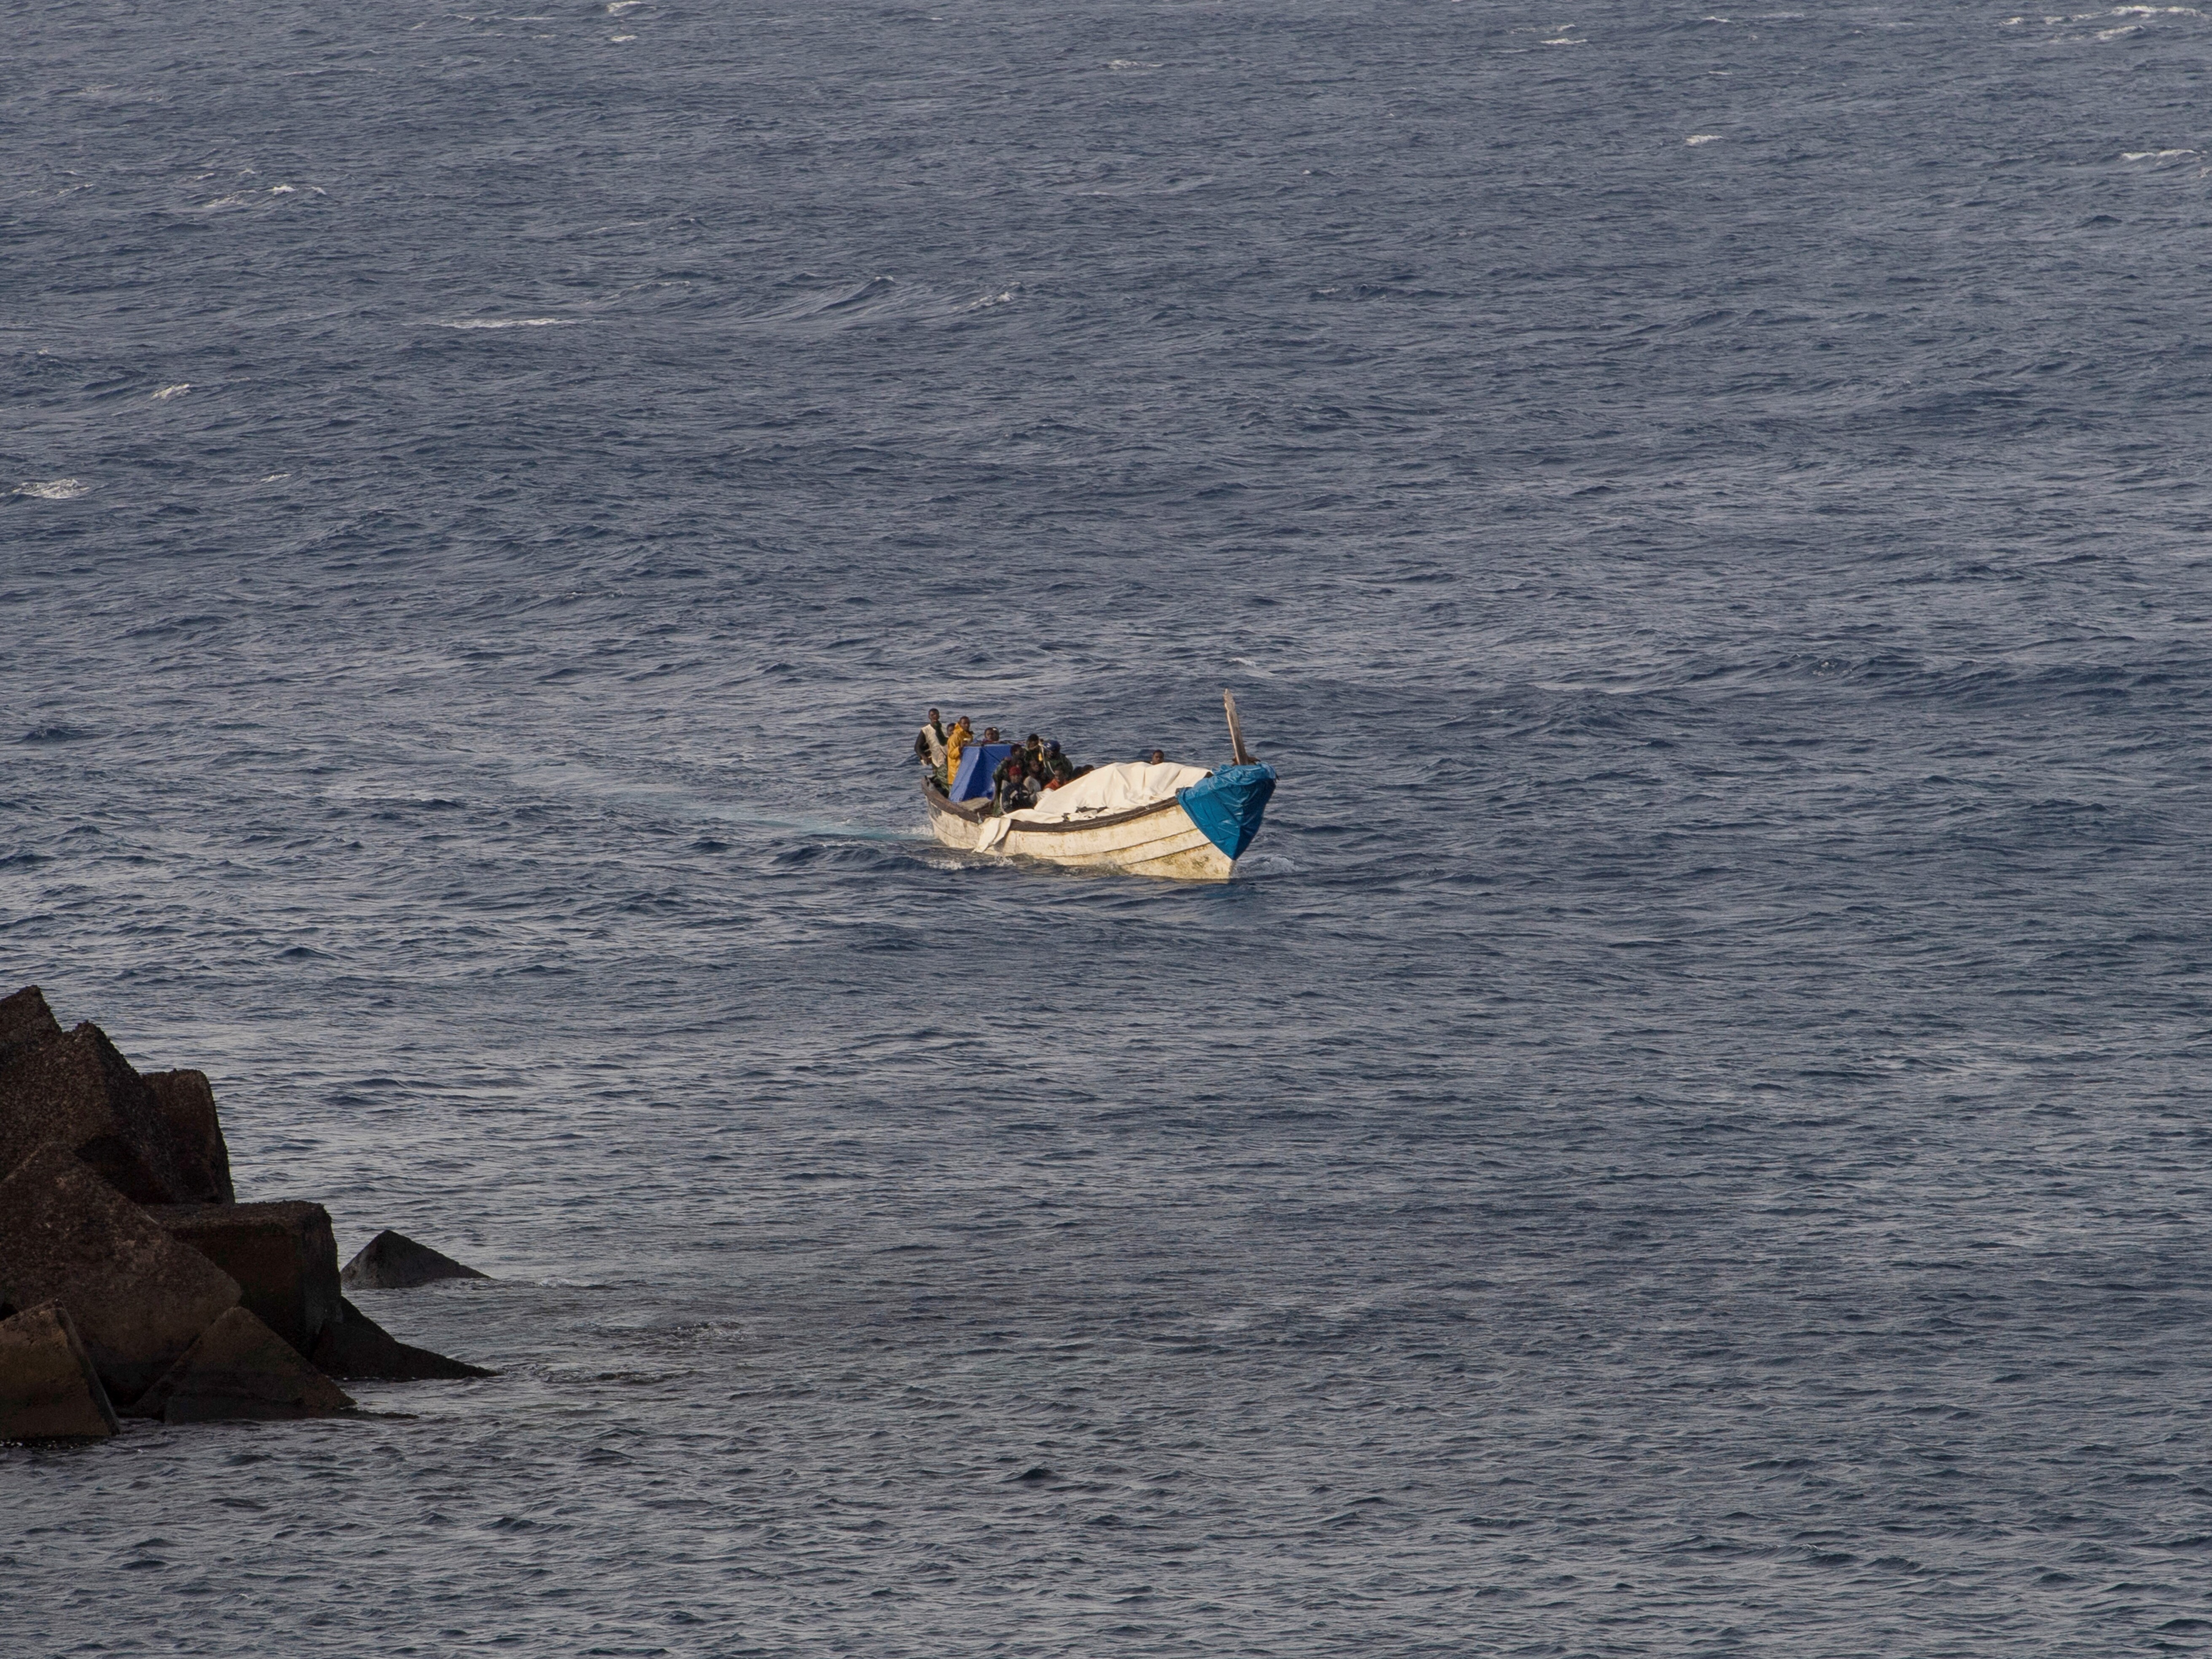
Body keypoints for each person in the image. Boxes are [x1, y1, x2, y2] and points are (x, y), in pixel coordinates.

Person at [913, 708, 948, 772]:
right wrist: (924, 757)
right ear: (929, 717)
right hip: (935, 758)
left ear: (939, 716)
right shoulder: (926, 730)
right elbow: (918, 747)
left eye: (937, 714)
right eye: (933, 715)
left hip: (947, 756)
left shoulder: (945, 728)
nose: (935, 716)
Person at [943, 715, 973, 787]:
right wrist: (960, 748)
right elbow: (951, 754)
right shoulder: (955, 737)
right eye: (965, 723)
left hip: (965, 768)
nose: (967, 725)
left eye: (968, 723)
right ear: (960, 724)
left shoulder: (968, 735)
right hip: (956, 771)